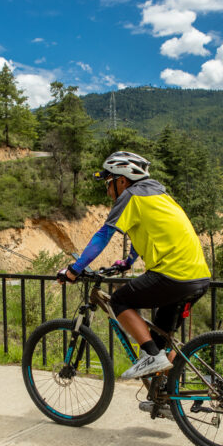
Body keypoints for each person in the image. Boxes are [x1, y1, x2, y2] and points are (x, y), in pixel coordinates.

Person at [57, 151, 211, 380]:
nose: (108, 191)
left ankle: (151, 356)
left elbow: (103, 235)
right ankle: (166, 396)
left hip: (172, 275)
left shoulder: (130, 195)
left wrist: (74, 269)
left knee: (119, 300)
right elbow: (147, 231)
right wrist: (127, 262)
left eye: (109, 183)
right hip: (198, 277)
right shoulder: (157, 194)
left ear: (122, 180)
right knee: (161, 341)